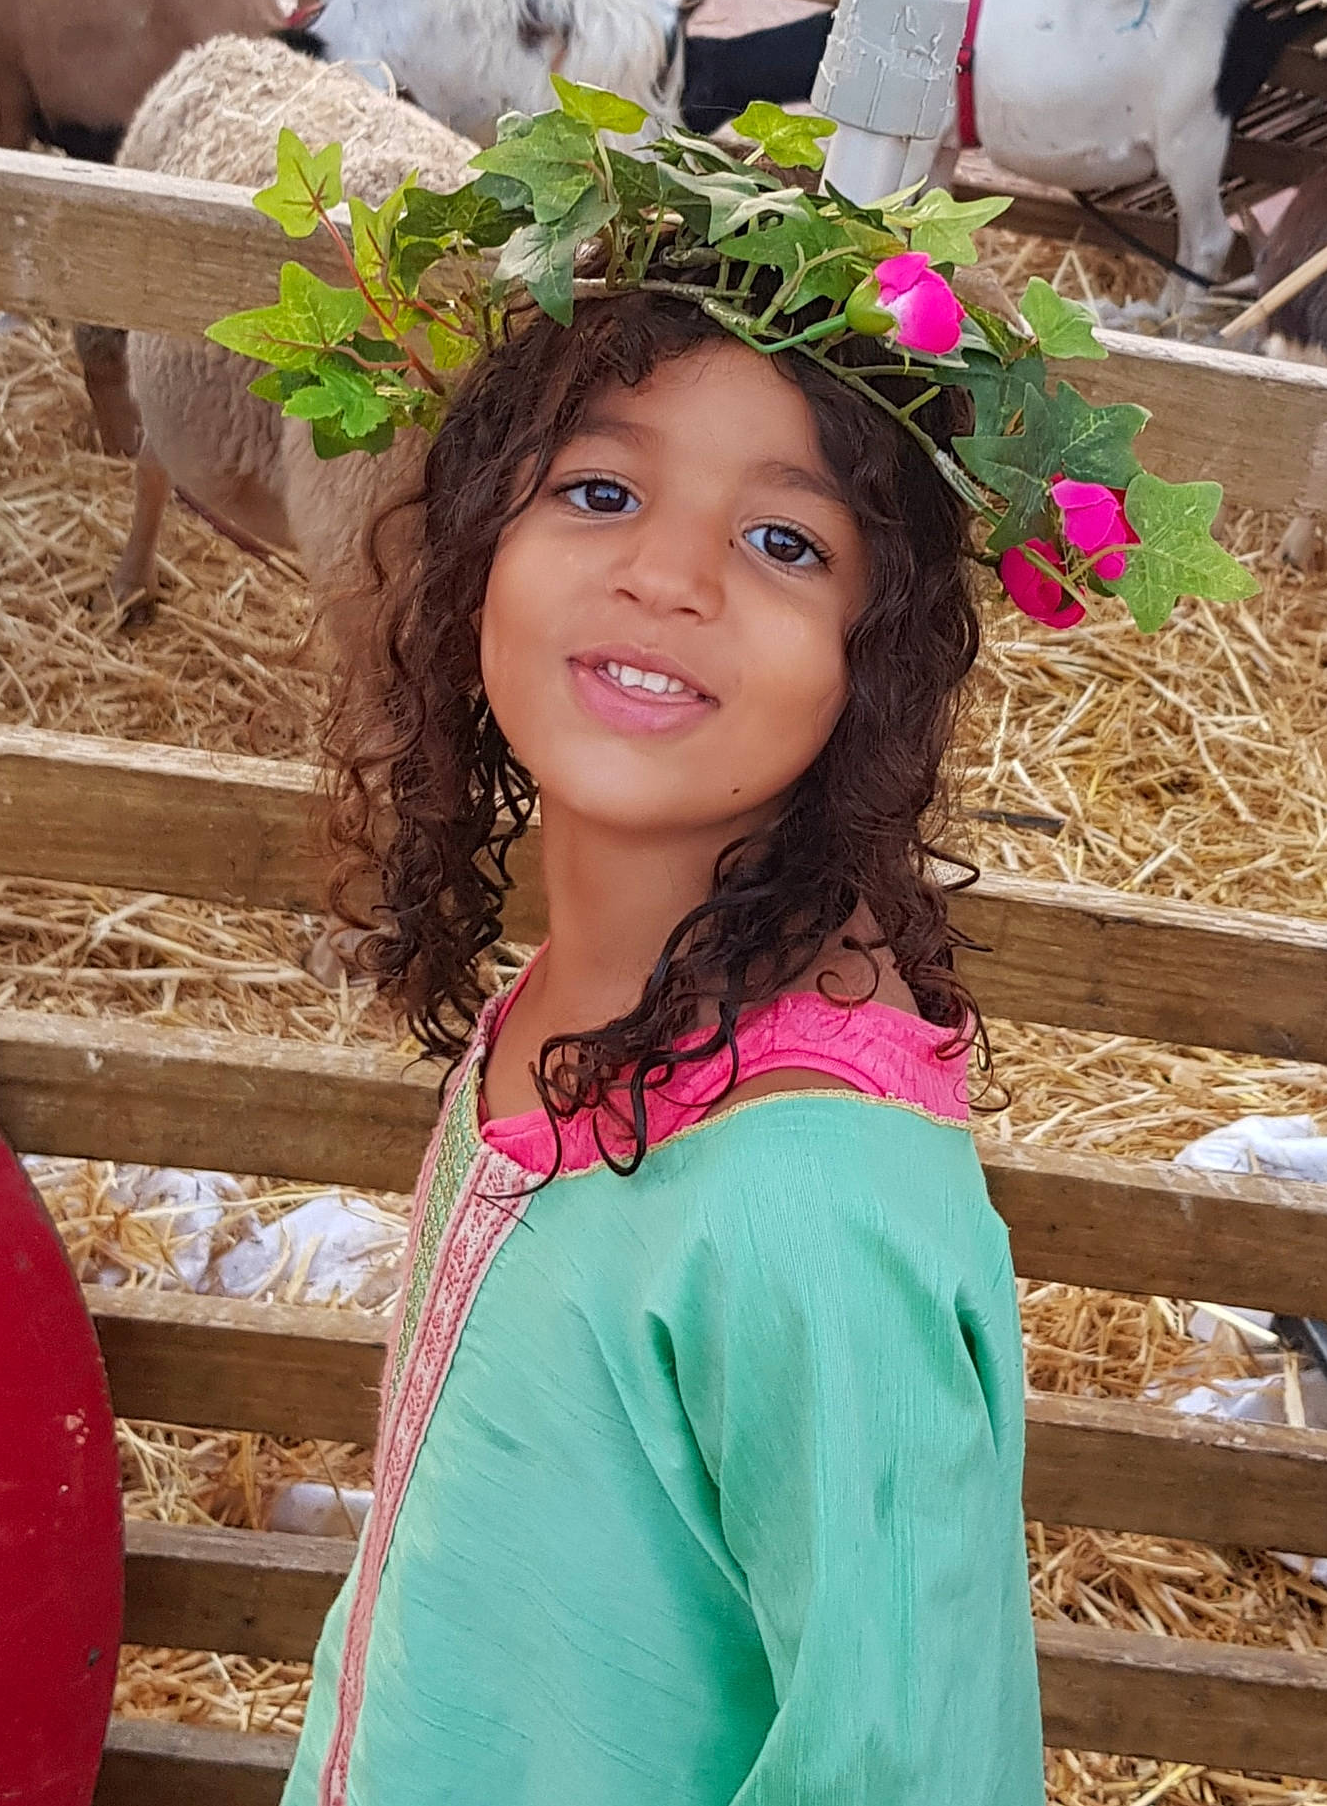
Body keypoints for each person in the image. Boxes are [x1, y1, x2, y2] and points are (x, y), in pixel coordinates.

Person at [282, 276, 1044, 1803]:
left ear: (869, 662)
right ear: (476, 547)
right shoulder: (565, 1000)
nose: (665, 574)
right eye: (601, 487)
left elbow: (905, 1764)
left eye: (783, 541)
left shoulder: (805, 1210)